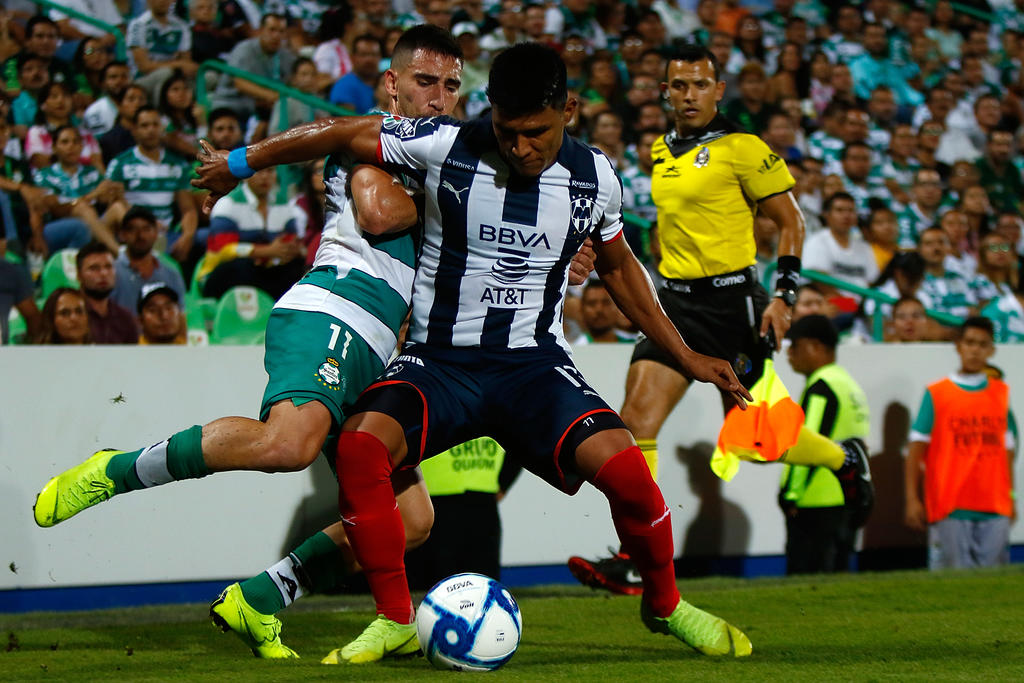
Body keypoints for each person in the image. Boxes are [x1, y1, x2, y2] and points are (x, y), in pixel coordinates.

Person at [192, 42, 759, 664]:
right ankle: (393, 618)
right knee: (359, 446)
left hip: (534, 368)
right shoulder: (446, 144)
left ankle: (665, 604)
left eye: (536, 133)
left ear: (568, 109)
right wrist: (240, 162)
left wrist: (684, 353)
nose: (520, 148)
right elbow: (345, 130)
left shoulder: (596, 176)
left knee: (629, 475)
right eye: (508, 132)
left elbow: (622, 269)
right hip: (441, 364)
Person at [34, 25, 544, 662]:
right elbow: (381, 216)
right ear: (391, 84)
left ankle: (262, 598)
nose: (439, 98)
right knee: (286, 443)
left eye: (450, 86)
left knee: (411, 521)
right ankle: (114, 469)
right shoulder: (380, 141)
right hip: (335, 310)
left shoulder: (443, 159)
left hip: (380, 344)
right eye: (424, 82)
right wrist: (466, 203)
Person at [569, 45, 870, 597]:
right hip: (677, 305)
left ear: (717, 90)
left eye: (699, 85)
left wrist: (783, 296)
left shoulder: (743, 148)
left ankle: (842, 460)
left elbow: (791, 221)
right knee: (636, 421)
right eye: (678, 85)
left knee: (759, 442)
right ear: (665, 90)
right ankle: (640, 558)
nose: (688, 95)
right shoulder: (661, 149)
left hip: (735, 306)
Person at [904, 317, 1016, 569]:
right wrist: (912, 499)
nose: (975, 350)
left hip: (994, 504)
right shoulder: (937, 393)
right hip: (950, 504)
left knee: (993, 589)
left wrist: (1012, 497)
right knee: (951, 585)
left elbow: (1007, 450)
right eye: (970, 343)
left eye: (982, 344)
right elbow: (915, 450)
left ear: (991, 350)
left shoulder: (1000, 393)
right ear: (958, 346)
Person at [780, 315, 871, 574]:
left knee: (805, 586)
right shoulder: (849, 385)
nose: (789, 355)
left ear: (815, 346)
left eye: (794, 346)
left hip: (815, 503)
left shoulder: (821, 387)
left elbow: (806, 445)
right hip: (847, 496)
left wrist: (790, 494)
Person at [105, 106, 197, 263]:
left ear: (161, 128)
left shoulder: (177, 165)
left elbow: (188, 209)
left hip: (165, 234)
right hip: (132, 231)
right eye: (145, 126)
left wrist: (187, 236)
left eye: (155, 125)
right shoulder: (120, 163)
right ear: (134, 130)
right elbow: (116, 204)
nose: (151, 130)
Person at [200, 168, 306, 300]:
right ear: (245, 175)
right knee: (240, 266)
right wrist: (268, 251)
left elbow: (291, 242)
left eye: (270, 171)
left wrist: (290, 251)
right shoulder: (228, 204)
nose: (265, 177)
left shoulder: (283, 205)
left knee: (298, 267)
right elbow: (224, 250)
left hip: (267, 269)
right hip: (223, 273)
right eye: (259, 171)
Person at [109, 206, 186, 313]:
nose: (140, 235)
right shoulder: (110, 273)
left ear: (155, 234)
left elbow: (181, 313)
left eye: (146, 229)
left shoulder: (171, 272)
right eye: (132, 229)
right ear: (122, 235)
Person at [76, 240, 139, 344]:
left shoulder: (125, 319)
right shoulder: (70, 315)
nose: (103, 274)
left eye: (108, 267)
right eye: (94, 268)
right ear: (79, 275)